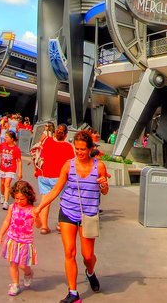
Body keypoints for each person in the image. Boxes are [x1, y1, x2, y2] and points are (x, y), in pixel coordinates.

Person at [33, 129, 108, 303]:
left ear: (90, 148)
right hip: (67, 211)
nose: (80, 152)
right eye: (77, 149)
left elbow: (104, 191)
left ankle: (90, 272)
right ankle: (73, 292)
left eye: (83, 149)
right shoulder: (69, 165)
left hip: (88, 215)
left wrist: (104, 184)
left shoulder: (99, 166)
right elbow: (56, 190)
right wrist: (39, 207)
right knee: (69, 252)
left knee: (88, 256)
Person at [0, 179, 38, 297]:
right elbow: (7, 221)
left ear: (28, 197)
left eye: (22, 199)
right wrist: (1, 234)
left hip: (25, 242)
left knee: (22, 265)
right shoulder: (12, 207)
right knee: (13, 263)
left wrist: (37, 217)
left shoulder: (32, 210)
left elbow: (38, 225)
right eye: (16, 198)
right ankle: (15, 284)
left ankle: (28, 273)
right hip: (12, 239)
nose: (19, 201)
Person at [35, 123, 73, 233]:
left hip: (43, 175)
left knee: (45, 200)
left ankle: (44, 227)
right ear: (65, 135)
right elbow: (70, 164)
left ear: (56, 132)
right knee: (63, 201)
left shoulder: (47, 141)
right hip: (59, 177)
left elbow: (39, 151)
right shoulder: (68, 147)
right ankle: (61, 225)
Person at [0, 129, 22, 209]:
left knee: (7, 184)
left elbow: (19, 161)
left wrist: (19, 172)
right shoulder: (2, 145)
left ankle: (6, 202)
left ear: (12, 139)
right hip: (2, 168)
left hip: (11, 169)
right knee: (2, 184)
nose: (5, 138)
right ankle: (2, 195)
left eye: (7, 137)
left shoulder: (16, 149)